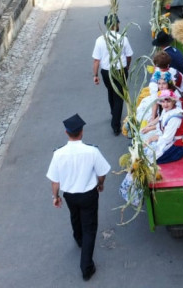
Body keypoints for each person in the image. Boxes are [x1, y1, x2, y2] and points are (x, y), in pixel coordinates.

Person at [46, 114, 110, 282]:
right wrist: (100, 184)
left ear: (66, 133)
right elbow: (102, 172)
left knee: (74, 216)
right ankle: (86, 267)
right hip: (89, 194)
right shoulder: (92, 151)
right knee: (90, 227)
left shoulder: (58, 154)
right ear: (81, 132)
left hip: (70, 195)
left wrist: (55, 196)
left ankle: (78, 238)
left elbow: (55, 180)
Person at [92, 15, 133, 135]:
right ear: (117, 24)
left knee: (111, 91)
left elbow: (96, 60)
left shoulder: (100, 40)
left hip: (106, 72)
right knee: (119, 96)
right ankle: (115, 124)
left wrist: (95, 75)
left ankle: (113, 113)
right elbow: (129, 55)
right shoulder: (123, 39)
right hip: (120, 70)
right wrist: (127, 67)